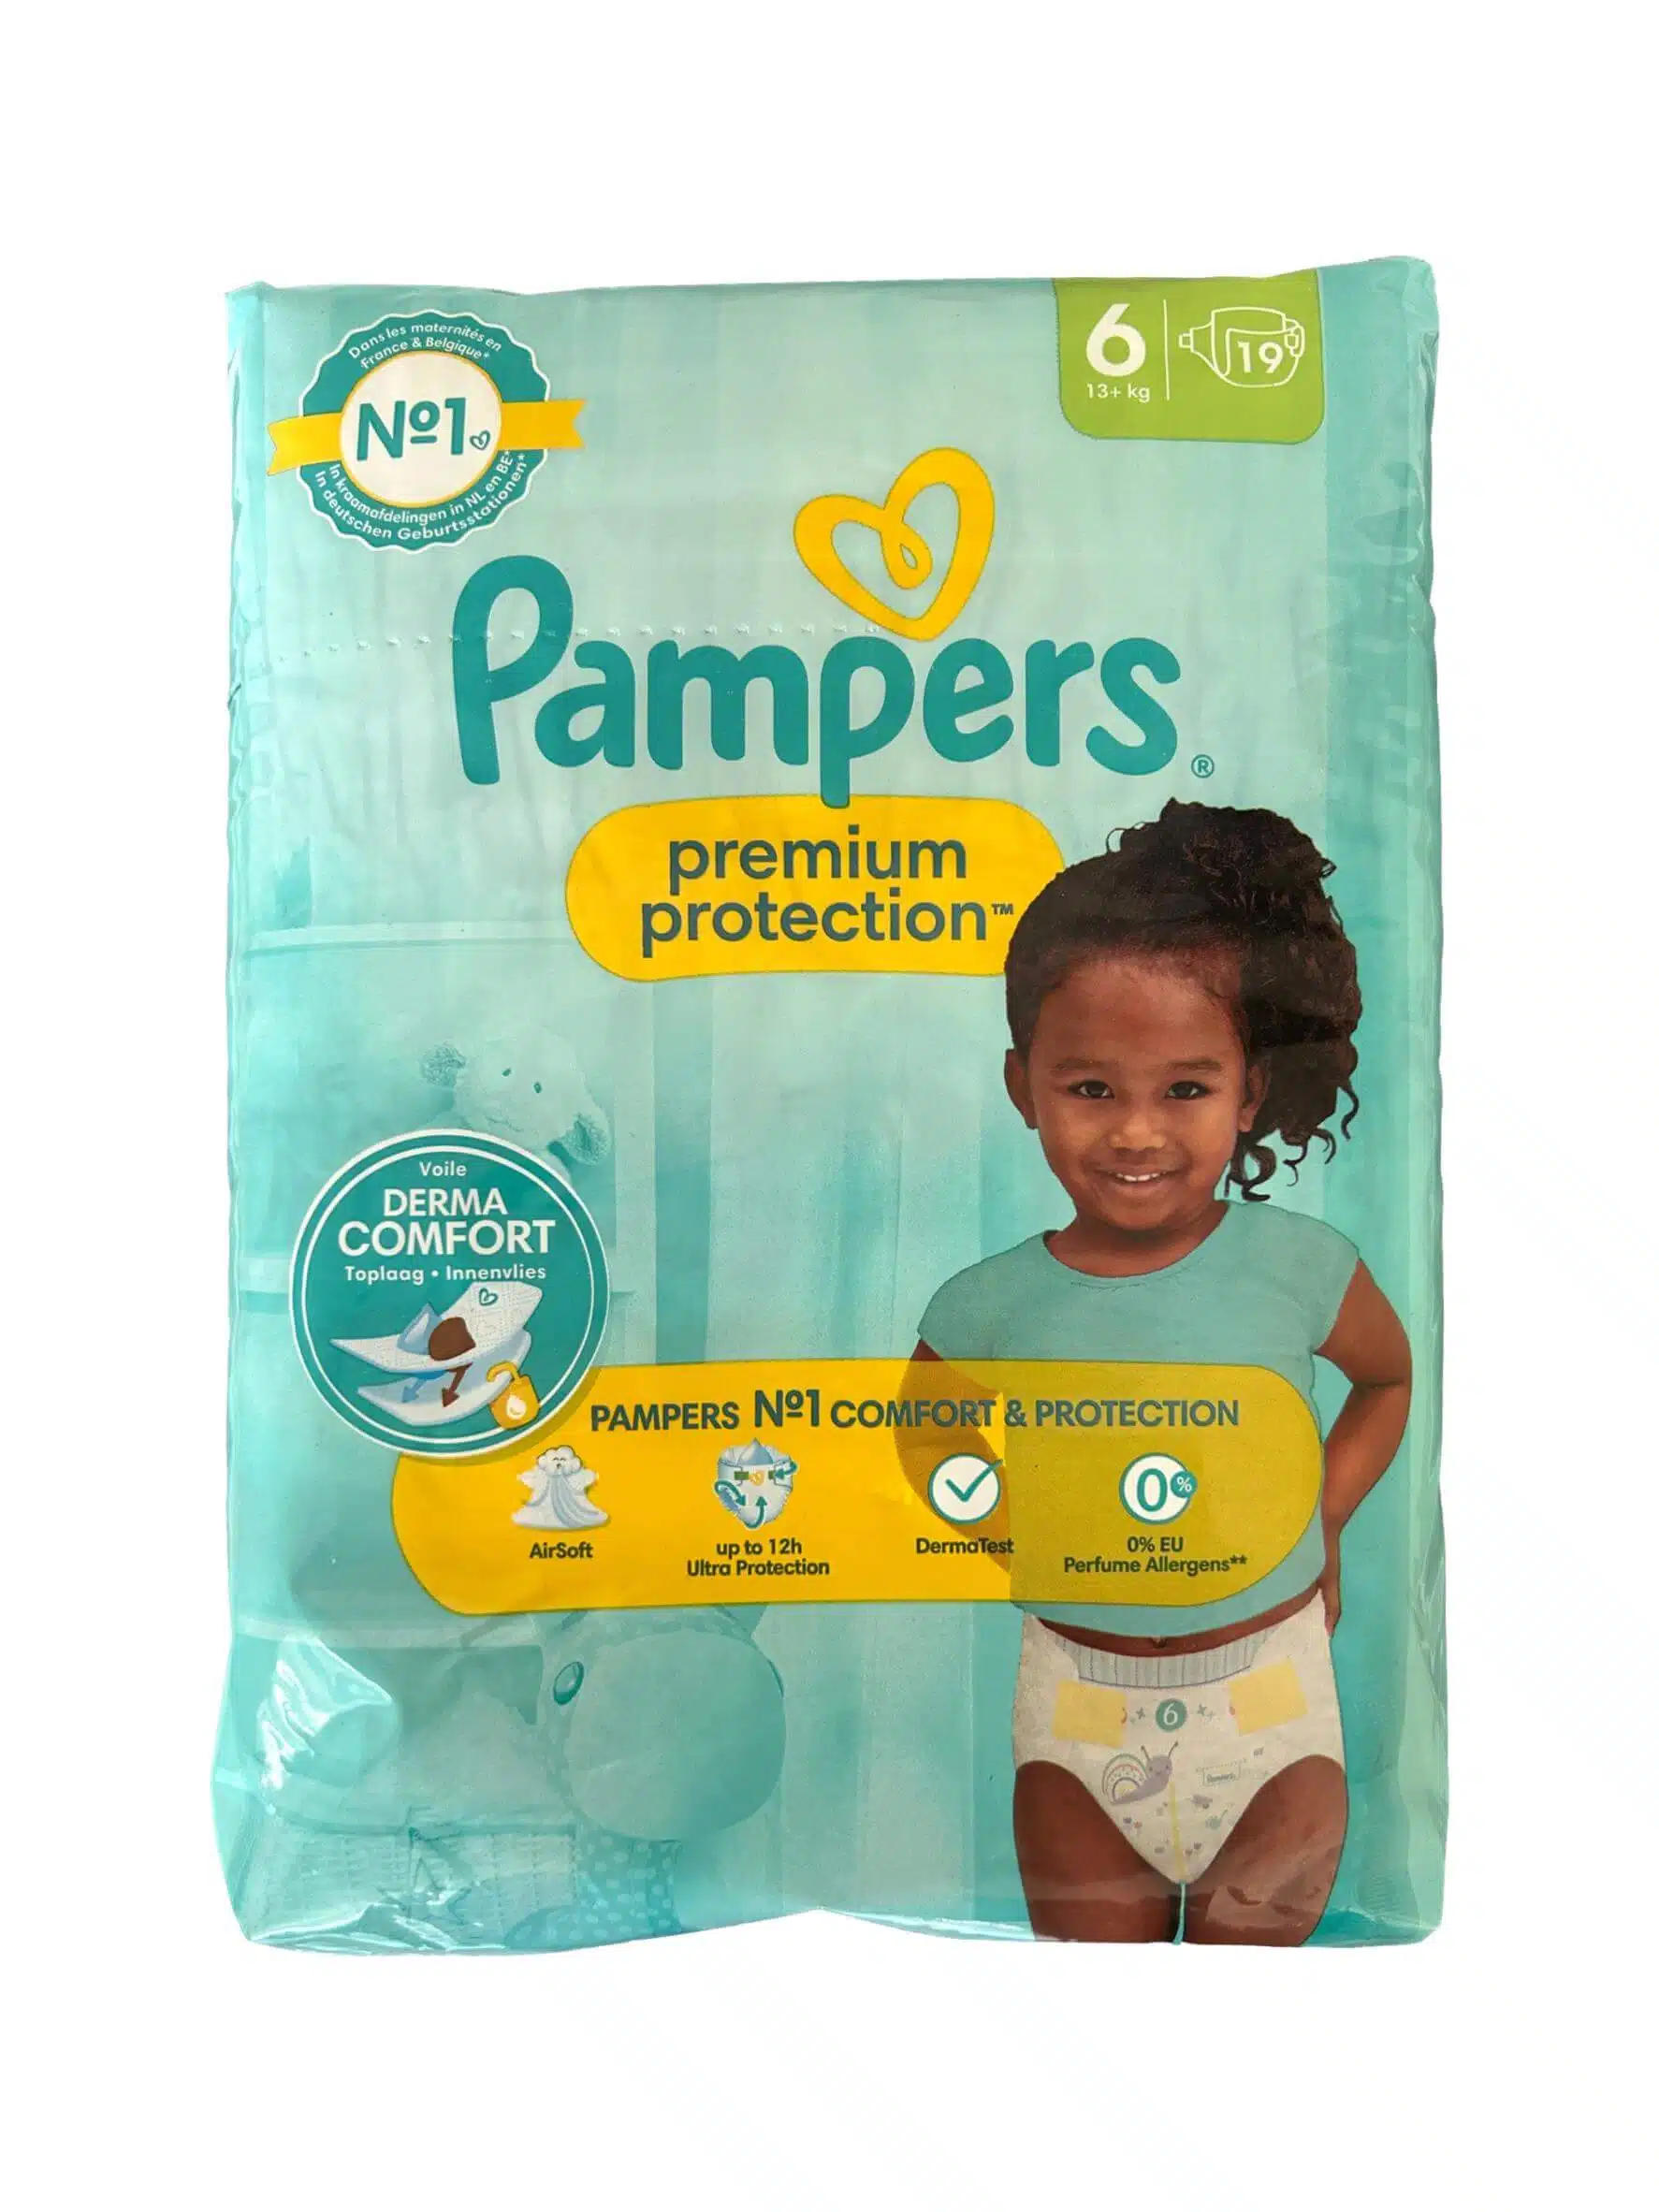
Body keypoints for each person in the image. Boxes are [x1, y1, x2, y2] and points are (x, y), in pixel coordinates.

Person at [914, 801, 1411, 1943]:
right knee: (1101, 2012)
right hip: (1075, 1719)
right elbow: (926, 1432)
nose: (1137, 1133)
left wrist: (1325, 1512)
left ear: (1251, 1092)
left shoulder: (1302, 1265)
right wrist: (1012, 1526)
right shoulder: (985, 1304)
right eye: (1092, 1089)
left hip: (1272, 1710)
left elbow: (1386, 1380)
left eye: (1185, 1089)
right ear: (1023, 1085)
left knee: (1247, 2014)